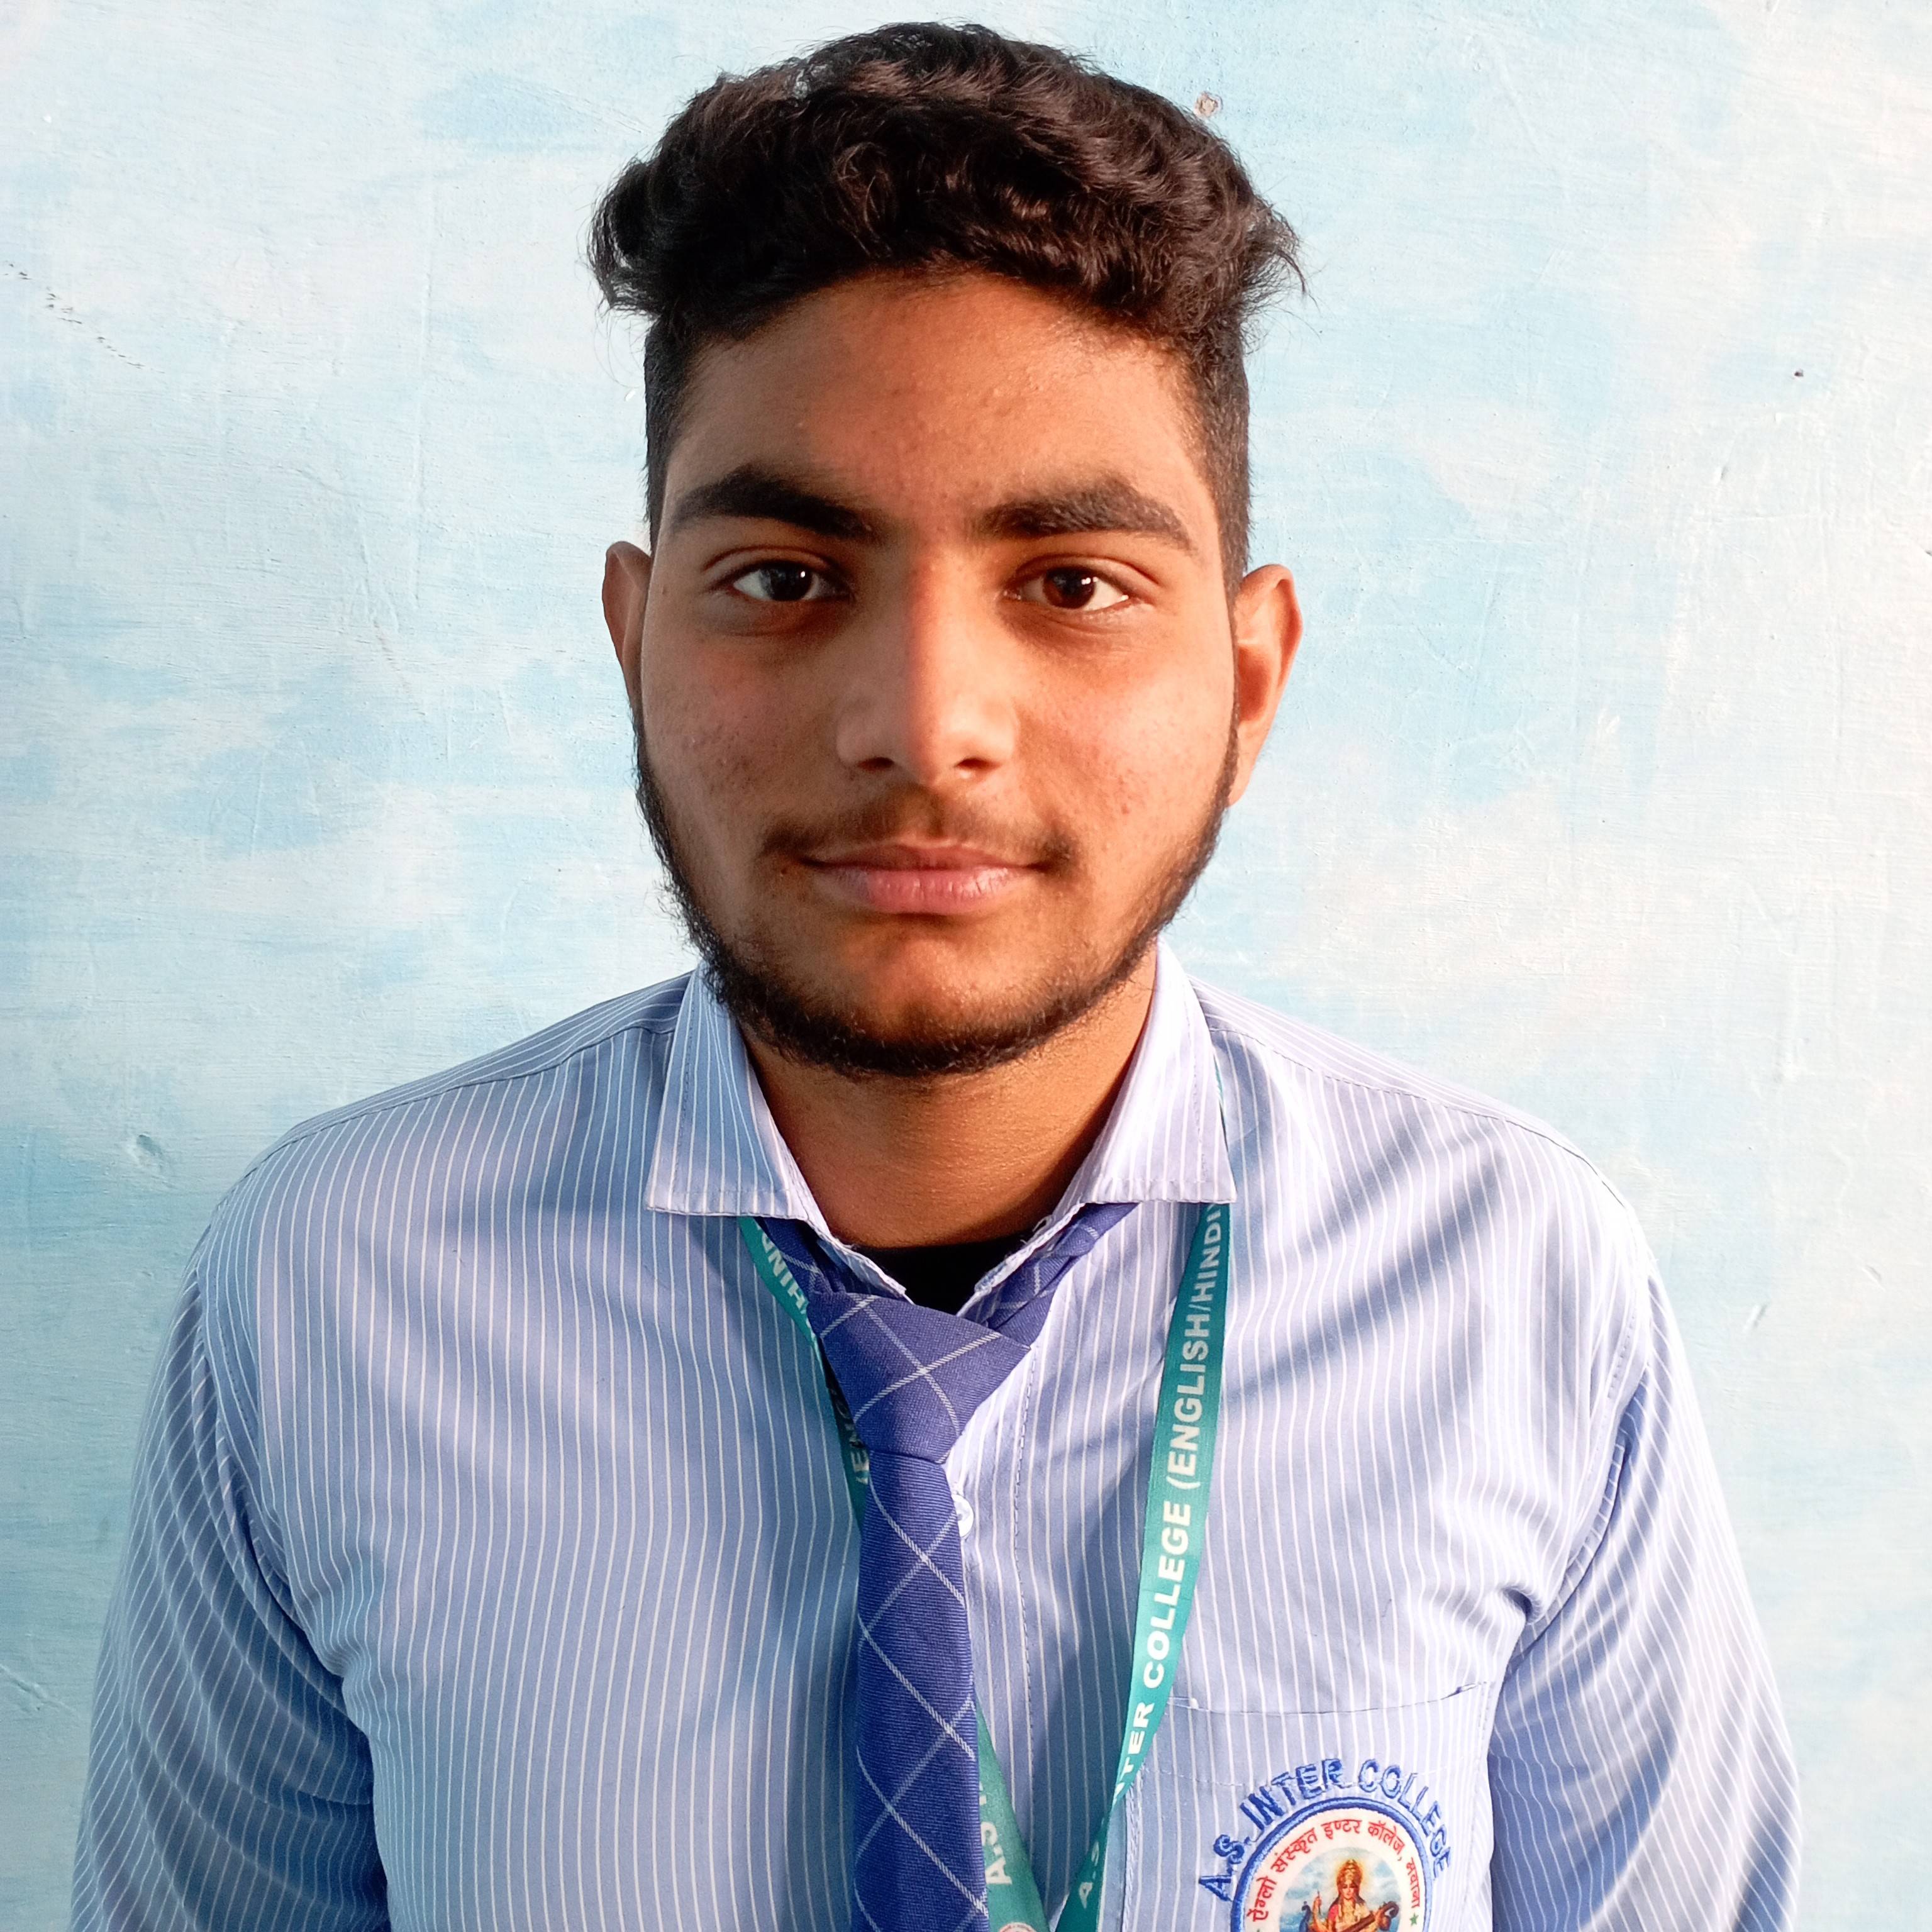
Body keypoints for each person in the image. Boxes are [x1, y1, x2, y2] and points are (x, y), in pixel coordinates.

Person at [72, 22, 1799, 1932]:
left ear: (1247, 680)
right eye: (786, 578)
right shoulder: (327, 1289)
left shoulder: (1515, 1286)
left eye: (1071, 583)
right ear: (635, 643)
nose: (922, 720)